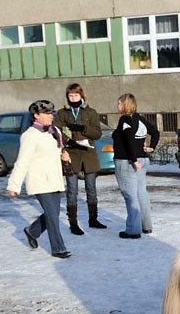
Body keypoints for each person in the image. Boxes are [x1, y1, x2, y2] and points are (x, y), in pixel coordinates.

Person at [7, 100, 72, 259]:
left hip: (54, 179)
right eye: (47, 113)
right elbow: (22, 161)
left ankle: (32, 231)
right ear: (36, 115)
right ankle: (58, 248)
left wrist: (63, 155)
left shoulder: (54, 130)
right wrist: (14, 184)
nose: (51, 116)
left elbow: (55, 150)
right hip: (39, 180)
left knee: (54, 214)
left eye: (52, 113)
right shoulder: (30, 135)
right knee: (51, 215)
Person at [55, 83, 107, 235]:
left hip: (88, 153)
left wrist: (83, 129)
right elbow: (56, 132)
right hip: (71, 154)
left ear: (82, 96)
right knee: (72, 190)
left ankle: (93, 219)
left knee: (91, 188)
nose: (73, 98)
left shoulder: (90, 112)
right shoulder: (62, 113)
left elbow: (97, 133)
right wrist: (68, 141)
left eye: (76, 95)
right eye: (70, 96)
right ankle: (73, 224)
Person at [111, 93, 159, 239]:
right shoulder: (140, 118)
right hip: (142, 160)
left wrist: (133, 159)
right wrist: (152, 147)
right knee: (141, 194)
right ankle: (146, 226)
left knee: (130, 196)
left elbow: (129, 139)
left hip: (127, 162)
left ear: (125, 105)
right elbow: (155, 132)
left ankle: (133, 230)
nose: (117, 106)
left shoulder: (125, 120)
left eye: (119, 103)